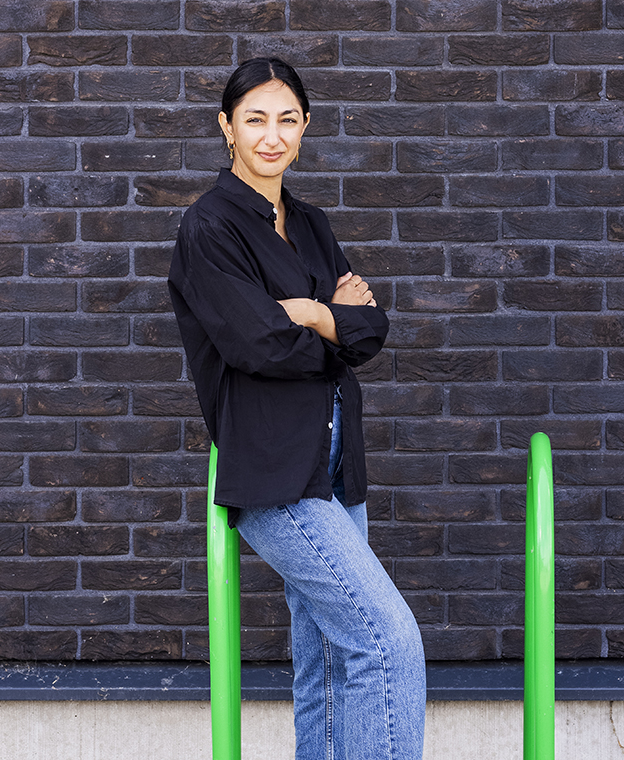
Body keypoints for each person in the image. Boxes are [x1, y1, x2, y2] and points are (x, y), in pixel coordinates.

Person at [167, 57, 426, 760]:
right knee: (386, 638)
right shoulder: (210, 228)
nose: (271, 135)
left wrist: (310, 313)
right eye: (255, 119)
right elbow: (259, 344)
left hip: (337, 466)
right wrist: (331, 322)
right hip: (276, 472)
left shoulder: (310, 223)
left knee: (331, 666)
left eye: (287, 119)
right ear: (227, 128)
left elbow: (370, 331)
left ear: (305, 126)